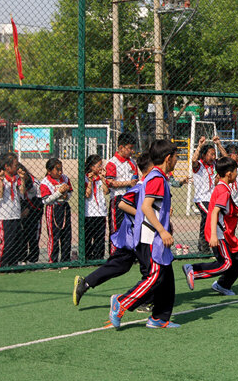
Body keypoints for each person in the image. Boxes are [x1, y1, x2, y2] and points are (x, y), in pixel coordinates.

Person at [109, 139, 180, 329]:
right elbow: (146, 207)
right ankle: (121, 302)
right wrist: (162, 231)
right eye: (176, 157)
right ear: (168, 158)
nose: (177, 160)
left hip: (154, 237)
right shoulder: (156, 178)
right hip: (151, 237)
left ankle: (159, 318)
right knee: (155, 277)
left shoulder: (158, 177)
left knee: (166, 278)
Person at [73, 153, 152, 307]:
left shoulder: (150, 183)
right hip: (136, 235)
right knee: (150, 269)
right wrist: (144, 216)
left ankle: (86, 283)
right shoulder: (141, 186)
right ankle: (133, 301)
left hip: (137, 234)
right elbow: (123, 204)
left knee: (121, 265)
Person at [182, 156, 238, 296]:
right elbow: (215, 212)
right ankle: (193, 271)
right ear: (229, 174)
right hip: (219, 233)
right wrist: (214, 236)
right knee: (226, 263)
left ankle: (222, 285)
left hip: (224, 233)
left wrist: (233, 213)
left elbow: (222, 211)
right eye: (236, 171)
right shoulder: (223, 190)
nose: (237, 174)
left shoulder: (223, 188)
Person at [192, 135, 225, 253]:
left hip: (212, 198)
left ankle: (203, 245)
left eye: (214, 154)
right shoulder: (199, 165)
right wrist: (200, 146)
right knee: (209, 217)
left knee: (207, 220)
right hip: (201, 198)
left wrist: (218, 144)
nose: (213, 157)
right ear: (204, 155)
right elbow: (193, 161)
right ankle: (205, 246)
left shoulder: (215, 164)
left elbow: (227, 160)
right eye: (211, 154)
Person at [104, 132, 138, 247]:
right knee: (117, 229)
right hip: (118, 199)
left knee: (131, 228)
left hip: (132, 199)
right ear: (121, 147)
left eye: (133, 148)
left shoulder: (132, 162)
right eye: (130, 148)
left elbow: (136, 179)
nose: (132, 151)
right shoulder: (112, 163)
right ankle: (115, 252)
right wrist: (128, 183)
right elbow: (110, 182)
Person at [39, 157, 73, 263]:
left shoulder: (65, 178)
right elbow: (46, 200)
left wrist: (66, 195)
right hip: (53, 208)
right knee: (54, 236)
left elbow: (70, 192)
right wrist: (59, 193)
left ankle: (65, 259)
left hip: (64, 207)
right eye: (57, 169)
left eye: (61, 169)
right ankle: (52, 260)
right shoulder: (45, 182)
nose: (60, 172)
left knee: (66, 235)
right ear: (49, 171)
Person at [0, 153, 25, 267]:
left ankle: (13, 264)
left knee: (16, 241)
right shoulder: (1, 179)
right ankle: (0, 264)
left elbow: (22, 192)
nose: (17, 167)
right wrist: (1, 181)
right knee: (7, 242)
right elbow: (0, 195)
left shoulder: (16, 178)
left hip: (16, 213)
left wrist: (22, 179)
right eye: (15, 165)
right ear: (7, 167)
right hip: (5, 216)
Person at [84, 154, 110, 260]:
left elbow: (106, 191)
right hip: (89, 212)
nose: (101, 168)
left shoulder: (100, 178)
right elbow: (87, 194)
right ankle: (88, 256)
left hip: (101, 212)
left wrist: (103, 179)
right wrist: (90, 181)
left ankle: (99, 256)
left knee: (100, 236)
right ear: (91, 167)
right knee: (88, 236)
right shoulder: (85, 178)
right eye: (99, 166)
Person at [18, 163, 44, 263]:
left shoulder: (34, 182)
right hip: (22, 209)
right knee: (22, 235)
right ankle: (22, 258)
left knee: (33, 236)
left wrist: (29, 208)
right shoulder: (16, 180)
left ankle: (33, 259)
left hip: (35, 211)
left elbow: (40, 199)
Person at [224, 144, 238, 208]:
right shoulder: (225, 165)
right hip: (226, 196)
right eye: (236, 154)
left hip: (237, 198)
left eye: (237, 153)